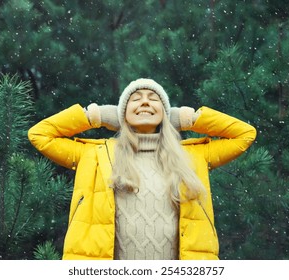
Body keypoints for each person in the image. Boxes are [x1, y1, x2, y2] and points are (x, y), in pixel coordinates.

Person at [28, 78, 256, 260]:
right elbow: (40, 134)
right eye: (135, 99)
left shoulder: (192, 156)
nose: (145, 102)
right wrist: (94, 116)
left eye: (153, 99)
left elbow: (245, 134)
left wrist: (189, 118)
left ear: (166, 113)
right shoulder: (94, 155)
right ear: (122, 114)